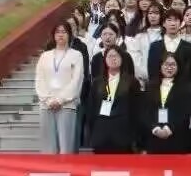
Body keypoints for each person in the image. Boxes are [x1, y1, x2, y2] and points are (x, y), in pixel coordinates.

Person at [35, 20, 84, 155]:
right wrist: (48, 99)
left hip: (67, 105)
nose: (61, 35)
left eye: (64, 32)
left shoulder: (76, 55)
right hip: (46, 105)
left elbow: (77, 80)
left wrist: (61, 100)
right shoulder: (45, 56)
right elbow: (40, 79)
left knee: (66, 146)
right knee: (48, 147)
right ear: (53, 35)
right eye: (58, 32)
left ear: (69, 34)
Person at [89, 45, 140, 153]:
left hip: (123, 133)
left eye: (116, 56)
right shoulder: (97, 82)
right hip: (101, 134)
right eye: (110, 56)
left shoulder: (131, 82)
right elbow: (92, 109)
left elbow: (136, 110)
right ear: (105, 59)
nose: (113, 59)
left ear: (122, 59)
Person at [141, 52, 191, 154]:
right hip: (153, 137)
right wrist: (155, 128)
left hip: (176, 137)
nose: (169, 67)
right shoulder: (150, 86)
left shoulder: (186, 87)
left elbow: (184, 112)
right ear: (160, 66)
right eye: (166, 64)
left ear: (178, 67)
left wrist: (168, 129)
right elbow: (145, 111)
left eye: (173, 64)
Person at [148, 8, 191, 81]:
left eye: (176, 20)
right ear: (163, 23)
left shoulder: (189, 47)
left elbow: (189, 73)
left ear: (181, 23)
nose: (173, 24)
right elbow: (152, 71)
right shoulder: (154, 46)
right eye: (169, 20)